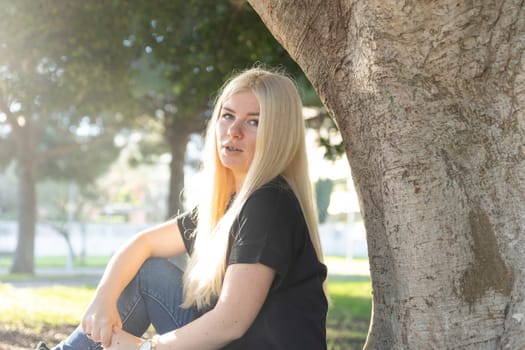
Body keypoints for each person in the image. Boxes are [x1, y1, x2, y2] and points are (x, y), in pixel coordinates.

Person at [37, 67, 328, 350]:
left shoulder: (269, 203)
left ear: (278, 134)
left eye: (254, 121)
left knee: (148, 278)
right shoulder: (233, 203)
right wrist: (102, 299)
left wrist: (145, 348)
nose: (233, 131)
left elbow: (231, 322)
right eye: (227, 116)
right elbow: (143, 243)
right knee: (148, 273)